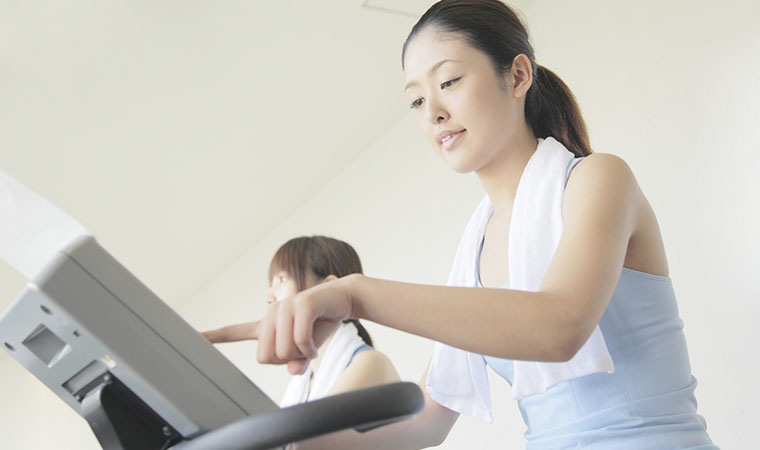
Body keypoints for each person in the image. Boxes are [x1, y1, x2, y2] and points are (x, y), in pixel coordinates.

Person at [252, 1, 718, 448]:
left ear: (517, 76)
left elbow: (559, 327)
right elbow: (431, 417)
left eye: (450, 80)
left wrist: (357, 294)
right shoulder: (474, 251)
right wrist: (289, 440)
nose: (432, 111)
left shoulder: (598, 179)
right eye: (416, 101)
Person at [203, 235, 399, 407]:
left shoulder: (369, 364)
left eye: (281, 280)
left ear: (330, 288)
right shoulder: (300, 386)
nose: (269, 297)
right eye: (271, 284)